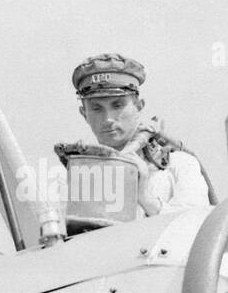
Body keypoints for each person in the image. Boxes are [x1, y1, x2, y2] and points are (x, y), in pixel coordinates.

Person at [67, 53, 217, 219]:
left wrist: (145, 197)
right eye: (97, 108)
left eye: (117, 105)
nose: (108, 119)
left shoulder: (179, 165)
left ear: (139, 106)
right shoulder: (76, 178)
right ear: (84, 114)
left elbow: (197, 226)